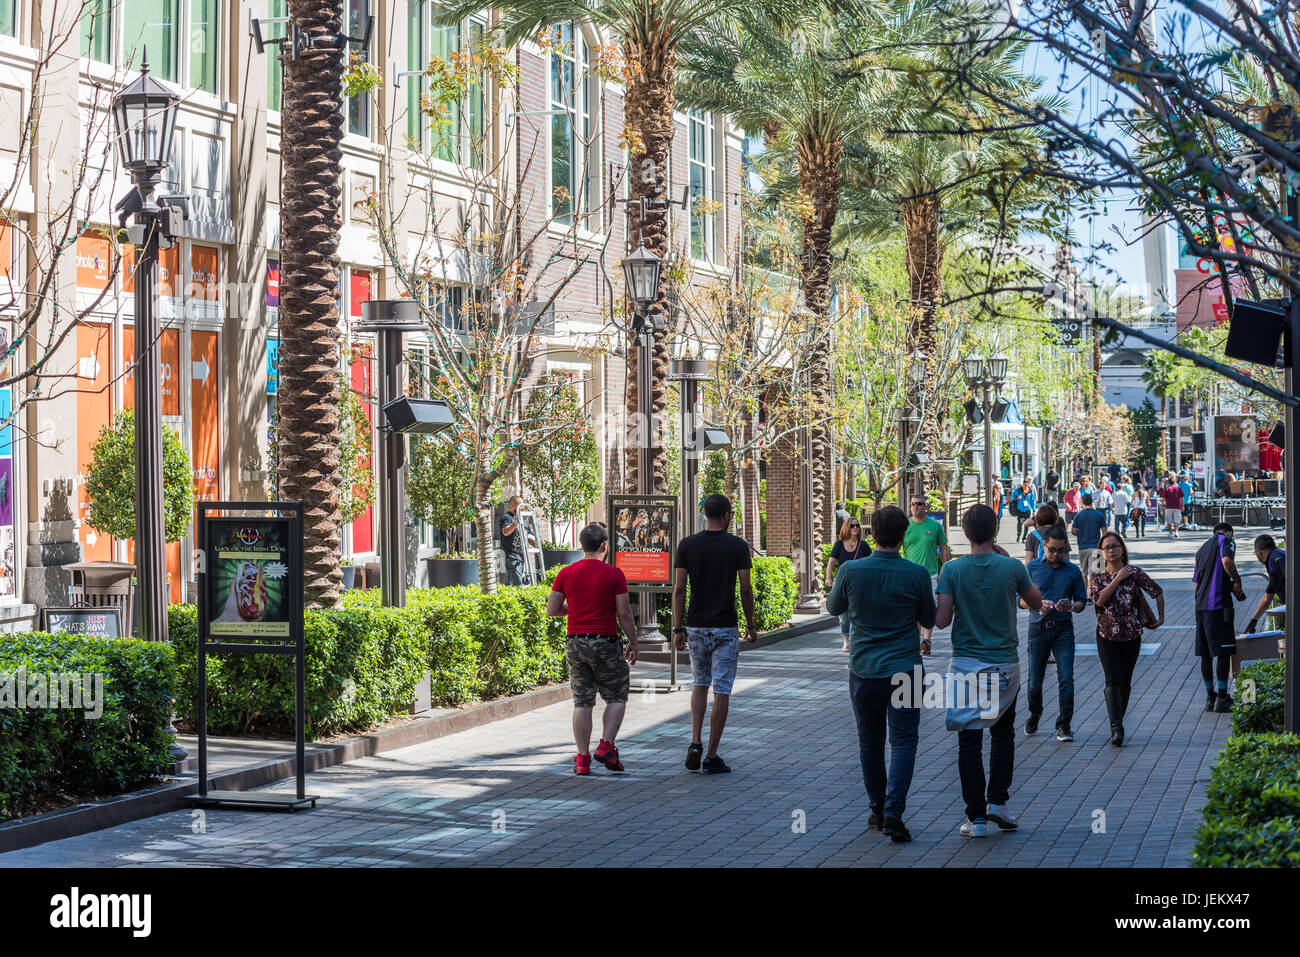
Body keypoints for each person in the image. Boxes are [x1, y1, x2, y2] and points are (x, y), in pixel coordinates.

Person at [827, 506, 935, 843]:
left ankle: (876, 808)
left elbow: (833, 608)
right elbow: (929, 618)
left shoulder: (852, 571)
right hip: (905, 668)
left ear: (872, 534)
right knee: (903, 741)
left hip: (864, 669)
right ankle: (894, 812)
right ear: (904, 536)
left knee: (870, 743)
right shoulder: (916, 574)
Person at [935, 505, 1042, 838]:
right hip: (1004, 664)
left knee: (969, 742)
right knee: (1003, 734)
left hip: (966, 664)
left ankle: (976, 819)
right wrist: (1009, 564)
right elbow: (1036, 602)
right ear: (995, 530)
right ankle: (998, 804)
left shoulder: (952, 570)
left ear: (964, 533)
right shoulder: (1011, 567)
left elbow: (940, 621)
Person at [672, 494, 757, 774]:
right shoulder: (737, 546)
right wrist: (751, 623)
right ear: (728, 515)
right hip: (725, 625)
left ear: (705, 514)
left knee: (700, 683)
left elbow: (679, 589)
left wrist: (677, 627)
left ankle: (694, 741)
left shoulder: (687, 545)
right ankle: (711, 754)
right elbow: (745, 588)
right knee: (721, 688)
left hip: (696, 625)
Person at [548, 524, 639, 775]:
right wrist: (633, 640)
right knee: (617, 694)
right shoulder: (614, 574)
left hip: (575, 642)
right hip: (605, 641)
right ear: (604, 546)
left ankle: (582, 759)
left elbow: (553, 609)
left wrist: (575, 610)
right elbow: (624, 612)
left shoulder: (566, 573)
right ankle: (606, 745)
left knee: (582, 702)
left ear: (582, 545)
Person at [1089, 530, 1164, 745]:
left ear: (1122, 548)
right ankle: (1116, 728)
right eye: (1106, 548)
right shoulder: (1097, 575)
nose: (1111, 550)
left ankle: (1118, 719)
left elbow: (1157, 591)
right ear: (1101, 553)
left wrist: (1160, 618)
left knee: (1125, 681)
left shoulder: (1135, 572)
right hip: (1106, 635)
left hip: (1131, 635)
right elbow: (1100, 600)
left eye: (1115, 546)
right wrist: (1118, 578)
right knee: (1112, 679)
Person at [1024, 526, 1087, 741]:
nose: (1057, 554)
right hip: (1038, 629)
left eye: (1061, 550)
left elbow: (1081, 601)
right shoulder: (1031, 568)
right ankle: (1035, 712)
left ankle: (1064, 725)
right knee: (1034, 682)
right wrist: (1036, 603)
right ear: (1043, 545)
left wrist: (1071, 605)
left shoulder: (1072, 570)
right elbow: (1020, 601)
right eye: (1052, 549)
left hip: (1063, 630)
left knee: (1066, 679)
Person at [1193, 522, 1246, 713]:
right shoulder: (1227, 541)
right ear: (1230, 532)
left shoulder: (1202, 549)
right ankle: (1222, 697)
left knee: (1206, 654)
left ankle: (1210, 697)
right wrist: (1237, 581)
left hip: (1200, 607)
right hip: (1219, 606)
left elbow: (1196, 583)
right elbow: (1227, 562)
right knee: (1224, 651)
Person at [903, 496, 950, 656]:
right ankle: (914, 642)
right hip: (909, 575)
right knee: (911, 609)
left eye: (919, 504)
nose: (915, 506)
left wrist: (946, 569)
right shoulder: (905, 526)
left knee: (928, 608)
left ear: (925, 507)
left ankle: (926, 640)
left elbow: (943, 548)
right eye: (913, 504)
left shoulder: (935, 526)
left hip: (930, 574)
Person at [826, 517, 872, 653]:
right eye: (852, 526)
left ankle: (853, 641)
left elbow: (871, 562)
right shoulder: (839, 544)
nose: (855, 528)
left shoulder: (863, 545)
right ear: (846, 527)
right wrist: (828, 578)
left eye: (857, 525)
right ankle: (846, 640)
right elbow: (831, 562)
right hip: (842, 584)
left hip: (859, 584)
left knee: (855, 613)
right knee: (844, 616)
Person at [1245, 534, 1286, 635]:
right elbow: (1267, 597)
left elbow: (1289, 574)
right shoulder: (1277, 555)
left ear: (1259, 552)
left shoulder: (1275, 558)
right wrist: (1253, 621)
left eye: (1255, 553)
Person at [1071, 493, 1108, 578]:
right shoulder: (1099, 515)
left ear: (1082, 502)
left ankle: (1086, 590)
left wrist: (1081, 534)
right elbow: (1105, 532)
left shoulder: (1078, 515)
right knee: (1097, 574)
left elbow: (1073, 531)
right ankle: (1096, 590)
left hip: (1083, 547)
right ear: (1091, 502)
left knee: (1084, 574)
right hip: (1096, 547)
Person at [499, 495, 534, 585]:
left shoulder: (523, 519)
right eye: (520, 506)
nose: (522, 508)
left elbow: (529, 536)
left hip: (523, 557)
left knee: (519, 584)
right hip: (512, 558)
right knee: (515, 585)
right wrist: (515, 523)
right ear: (512, 506)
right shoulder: (506, 517)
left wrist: (542, 546)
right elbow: (506, 532)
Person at [1010, 479, 1036, 544]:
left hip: (1027, 510)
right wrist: (1016, 498)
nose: (1025, 485)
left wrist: (1034, 509)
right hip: (1020, 509)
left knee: (1027, 524)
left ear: (1028, 484)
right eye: (1024, 484)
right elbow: (1012, 497)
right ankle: (1018, 536)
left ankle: (1024, 538)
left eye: (1026, 484)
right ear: (1022, 484)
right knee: (1020, 523)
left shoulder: (1030, 491)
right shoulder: (1018, 490)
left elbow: (1033, 501)